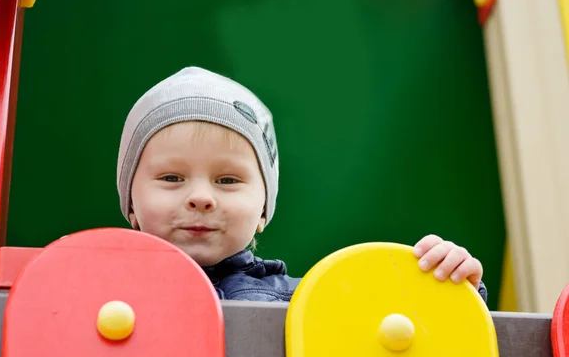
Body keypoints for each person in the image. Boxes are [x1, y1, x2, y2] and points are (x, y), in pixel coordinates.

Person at [117, 66, 488, 303]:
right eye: (171, 178)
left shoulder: (311, 300)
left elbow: (406, 337)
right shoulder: (93, 297)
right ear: (131, 204)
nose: (201, 197)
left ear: (264, 209)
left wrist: (449, 292)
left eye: (227, 179)